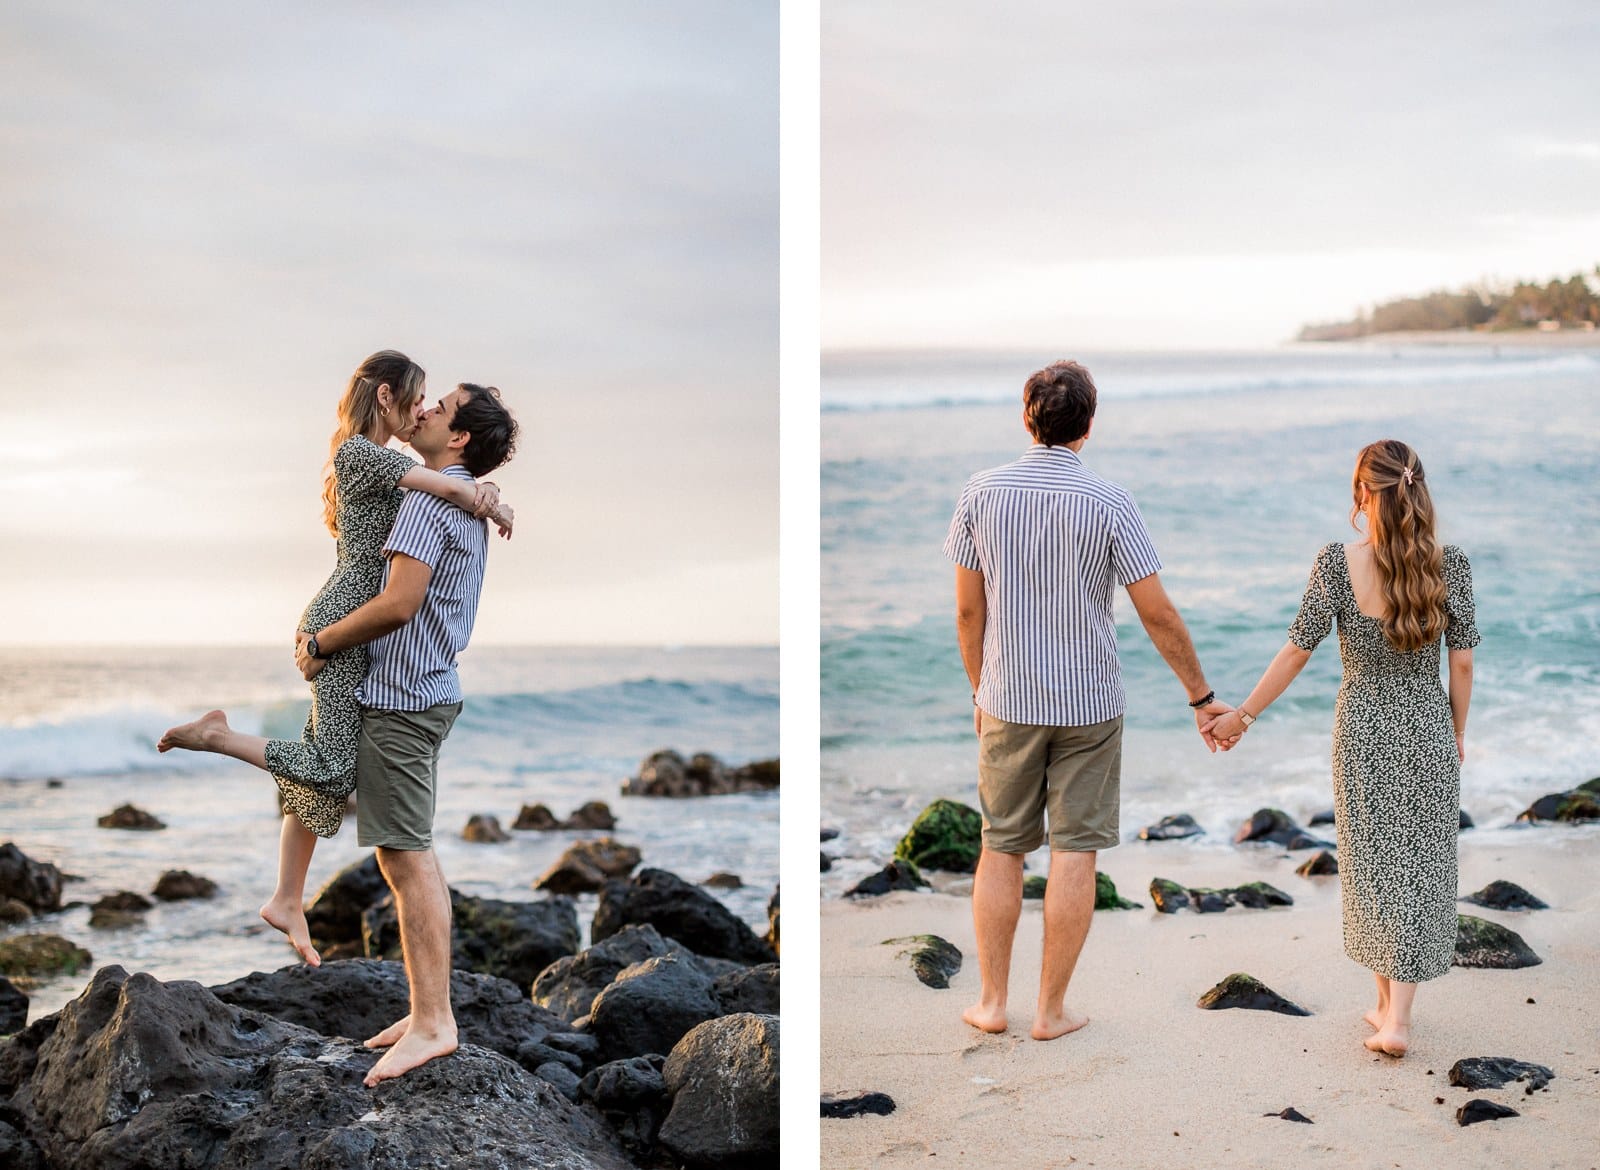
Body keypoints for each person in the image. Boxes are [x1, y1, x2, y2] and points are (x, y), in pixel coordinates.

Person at [157, 352, 512, 966]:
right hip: (344, 622)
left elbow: (441, 484)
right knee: (329, 767)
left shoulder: (395, 462)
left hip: (348, 624)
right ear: (384, 397)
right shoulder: (361, 455)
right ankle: (218, 738)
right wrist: (482, 495)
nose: (423, 408)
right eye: (418, 396)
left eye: (436, 403)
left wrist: (480, 489)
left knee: (327, 770)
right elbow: (437, 488)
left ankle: (287, 897)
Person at [942, 359, 1233, 1041]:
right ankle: (1049, 1012)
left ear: (1026, 417)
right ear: (1089, 425)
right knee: (1075, 852)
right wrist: (1203, 697)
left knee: (1001, 847)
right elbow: (1157, 614)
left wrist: (978, 691)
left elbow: (966, 613)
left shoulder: (981, 492)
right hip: (1089, 704)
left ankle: (991, 1005)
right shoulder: (1110, 501)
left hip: (1007, 698)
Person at [1205, 439, 1477, 1058]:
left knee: (1373, 864)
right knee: (1419, 865)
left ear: (1363, 493)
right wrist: (1457, 730)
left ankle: (1394, 1020)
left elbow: (1297, 649)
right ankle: (1390, 1009)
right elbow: (1460, 663)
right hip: (1426, 724)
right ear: (1419, 489)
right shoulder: (1450, 563)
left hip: (1361, 729)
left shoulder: (1336, 562)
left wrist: (1243, 714)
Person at [293, 381, 518, 1085]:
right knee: (404, 854)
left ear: (458, 440)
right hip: (426, 693)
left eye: (440, 408)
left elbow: (398, 603)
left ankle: (432, 1022)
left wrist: (323, 643)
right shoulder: (455, 500)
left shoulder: (427, 500)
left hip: (402, 701)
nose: (422, 410)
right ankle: (427, 1010)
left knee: (407, 857)